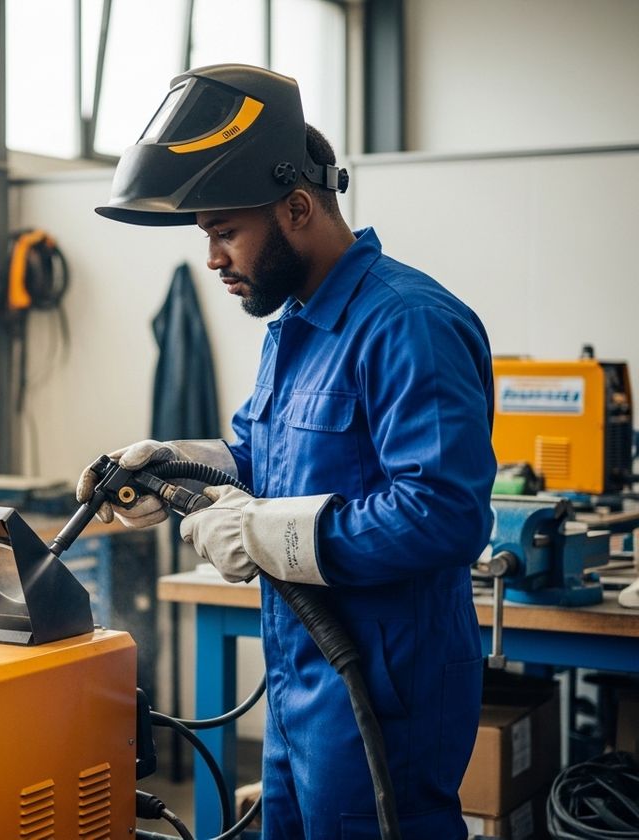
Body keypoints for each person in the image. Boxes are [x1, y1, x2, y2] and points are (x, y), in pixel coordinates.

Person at [79, 64, 496, 839]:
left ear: (298, 208)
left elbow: (446, 513)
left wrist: (268, 532)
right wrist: (172, 463)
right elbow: (258, 454)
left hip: (383, 691)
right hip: (300, 678)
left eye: (224, 232)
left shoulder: (409, 324)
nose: (212, 260)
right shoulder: (296, 332)